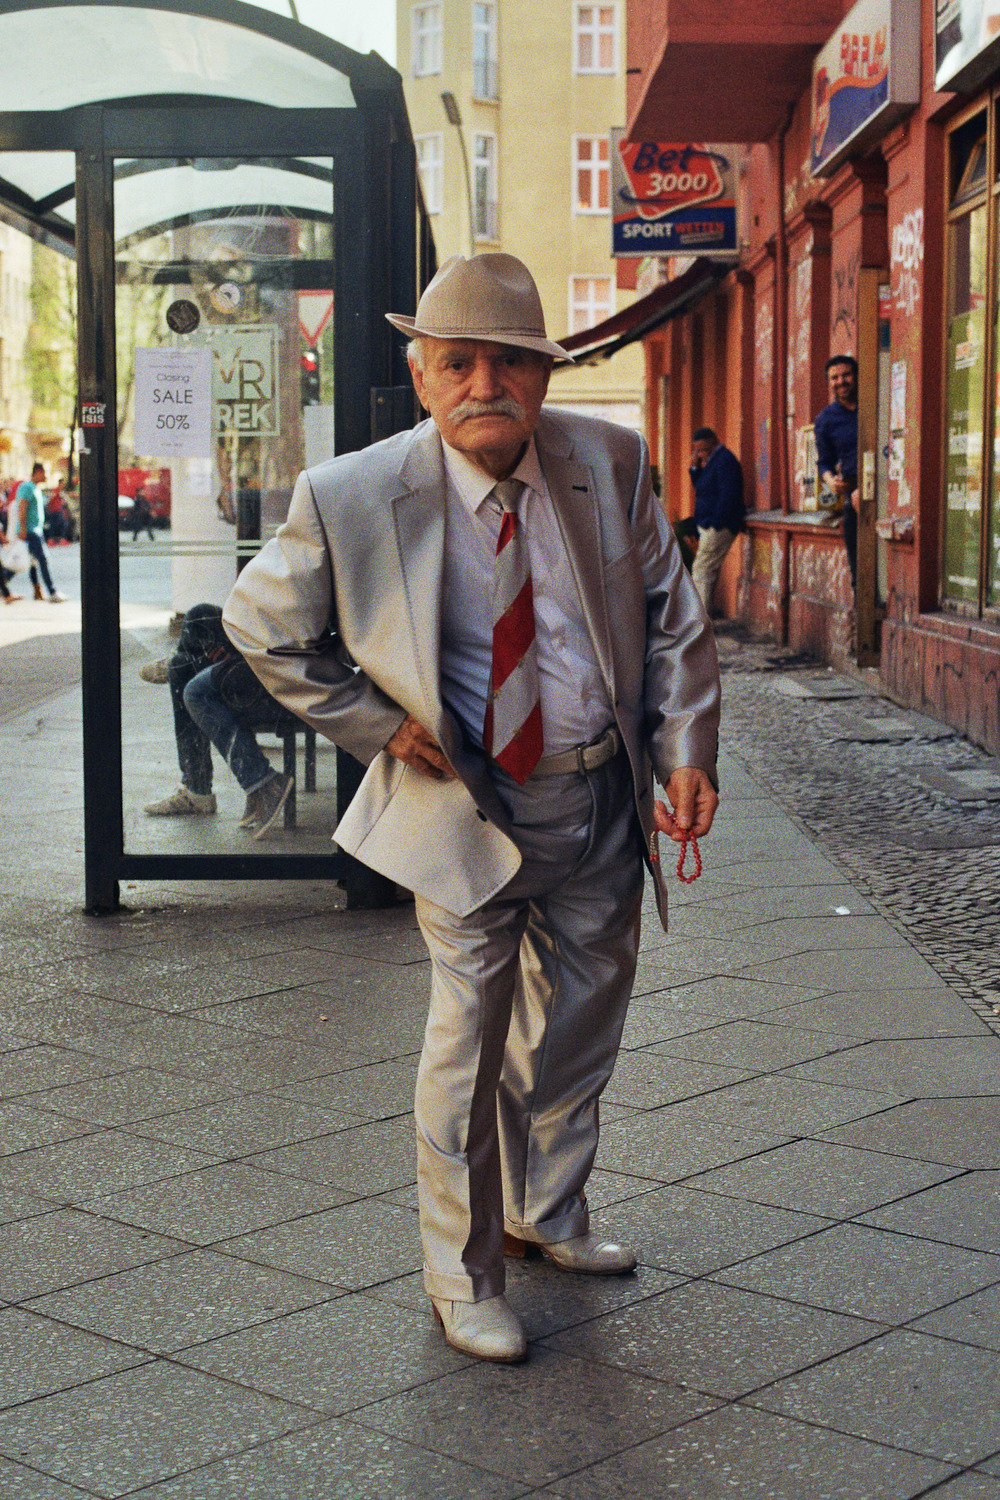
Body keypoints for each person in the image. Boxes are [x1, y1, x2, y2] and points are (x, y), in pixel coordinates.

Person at [223, 253, 721, 1365]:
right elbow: (260, 624)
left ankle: (544, 1212)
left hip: (596, 794)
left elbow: (671, 614)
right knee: (469, 1035)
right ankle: (461, 1271)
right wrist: (368, 723)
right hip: (466, 808)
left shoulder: (609, 459)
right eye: (459, 362)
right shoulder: (350, 493)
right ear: (421, 371)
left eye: (509, 362)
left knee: (583, 1021)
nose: (483, 384)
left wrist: (687, 746)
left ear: (543, 375)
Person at [142, 603, 293, 838]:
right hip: (276, 643)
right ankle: (181, 663)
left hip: (286, 658)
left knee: (189, 682)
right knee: (198, 616)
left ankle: (259, 781)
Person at [685, 427, 745, 611]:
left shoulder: (724, 460)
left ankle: (700, 619)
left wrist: (715, 524)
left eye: (703, 449)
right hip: (711, 523)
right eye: (696, 450)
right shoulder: (711, 462)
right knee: (707, 570)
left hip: (719, 525)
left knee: (701, 570)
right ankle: (703, 618)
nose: (700, 453)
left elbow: (728, 495)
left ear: (713, 442)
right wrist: (695, 468)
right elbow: (703, 488)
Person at [814, 354, 859, 596]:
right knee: (858, 561)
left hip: (884, 485)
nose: (841, 381)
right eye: (835, 377)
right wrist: (831, 479)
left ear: (857, 376)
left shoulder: (876, 402)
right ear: (829, 382)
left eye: (846, 375)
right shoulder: (825, 420)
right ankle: (861, 606)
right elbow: (824, 462)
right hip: (852, 493)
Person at [15, 463, 66, 602]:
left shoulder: (35, 488)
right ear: (38, 472)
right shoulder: (27, 487)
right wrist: (24, 528)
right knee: (42, 560)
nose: (46, 476)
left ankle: (37, 591)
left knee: (32, 562)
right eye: (44, 473)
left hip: (35, 530)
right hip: (31, 531)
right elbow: (22, 507)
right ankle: (52, 591)